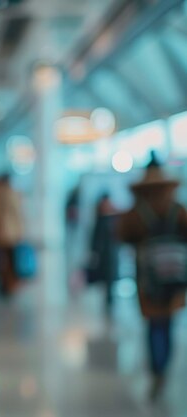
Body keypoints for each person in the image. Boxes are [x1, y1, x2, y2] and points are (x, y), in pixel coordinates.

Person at [117, 152, 187, 401]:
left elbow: (123, 235)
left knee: (153, 323)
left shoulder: (136, 211)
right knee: (169, 322)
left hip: (147, 278)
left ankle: (157, 368)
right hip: (175, 276)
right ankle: (164, 365)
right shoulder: (177, 209)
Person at [86, 192, 119, 311]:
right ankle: (107, 301)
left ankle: (110, 301)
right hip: (103, 254)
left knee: (111, 278)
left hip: (112, 253)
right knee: (105, 278)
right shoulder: (100, 218)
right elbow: (95, 237)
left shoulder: (114, 217)